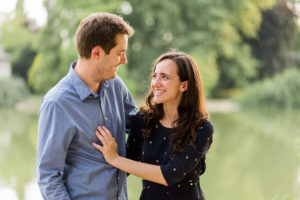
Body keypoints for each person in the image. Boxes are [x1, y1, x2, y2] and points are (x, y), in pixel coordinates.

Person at [36, 12, 137, 200]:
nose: (124, 60)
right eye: (120, 53)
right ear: (97, 53)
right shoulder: (57, 104)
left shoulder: (116, 85)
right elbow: (48, 177)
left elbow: (141, 127)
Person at [93, 52, 214, 200]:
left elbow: (171, 174)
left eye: (164, 77)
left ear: (184, 85)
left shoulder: (201, 129)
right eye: (155, 76)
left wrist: (115, 159)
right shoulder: (143, 120)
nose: (156, 83)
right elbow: (127, 163)